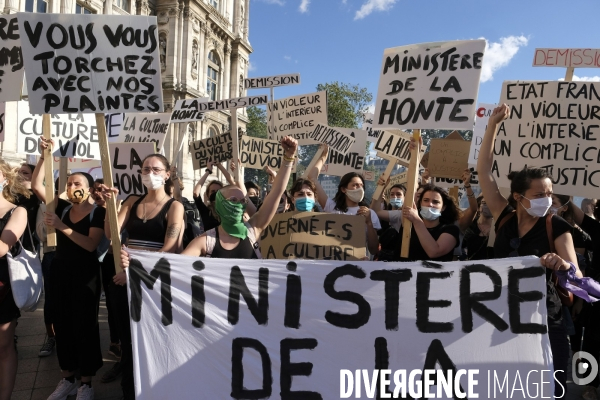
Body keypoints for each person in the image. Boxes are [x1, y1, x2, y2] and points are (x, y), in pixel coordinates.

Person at [478, 104, 582, 398]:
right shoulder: (504, 215)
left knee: (552, 388)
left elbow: (576, 275)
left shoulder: (556, 225)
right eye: (539, 195)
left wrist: (560, 264)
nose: (547, 199)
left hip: (546, 321)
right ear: (518, 196)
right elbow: (484, 171)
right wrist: (493, 125)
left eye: (549, 193)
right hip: (500, 315)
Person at [100, 153, 184, 400]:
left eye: (156, 169)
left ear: (168, 174)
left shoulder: (174, 206)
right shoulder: (131, 201)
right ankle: (129, 391)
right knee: (127, 342)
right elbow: (110, 233)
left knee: (152, 340)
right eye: (145, 169)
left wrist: (133, 271)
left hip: (151, 282)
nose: (150, 173)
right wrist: (109, 205)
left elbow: (169, 248)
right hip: (122, 280)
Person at [32, 139, 106, 400]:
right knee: (61, 324)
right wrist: (44, 155)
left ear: (87, 189)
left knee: (84, 325)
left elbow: (89, 245)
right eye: (69, 183)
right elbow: (36, 185)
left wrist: (62, 227)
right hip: (60, 273)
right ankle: (67, 378)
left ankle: (86, 382)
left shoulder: (98, 213)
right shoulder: (61, 207)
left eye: (77, 184)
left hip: (85, 276)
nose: (71, 187)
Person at [178, 136, 298, 259]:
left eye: (243, 201)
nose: (240, 205)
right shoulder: (205, 241)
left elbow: (277, 192)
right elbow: (175, 269)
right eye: (233, 200)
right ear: (219, 204)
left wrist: (288, 157)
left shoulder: (254, 229)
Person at [310, 145, 381, 256]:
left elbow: (374, 250)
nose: (359, 188)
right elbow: (312, 178)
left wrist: (369, 223)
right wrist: (324, 156)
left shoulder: (370, 214)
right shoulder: (332, 207)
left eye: (361, 185)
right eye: (355, 185)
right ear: (343, 189)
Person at [0, 160, 29, 400]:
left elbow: (1, 248)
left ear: (5, 180)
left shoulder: (17, 211)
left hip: (2, 286)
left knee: (4, 345)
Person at [192, 160, 235, 232]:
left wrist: (220, 166)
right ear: (208, 194)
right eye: (212, 191)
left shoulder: (229, 208)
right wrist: (208, 171)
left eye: (218, 191)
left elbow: (234, 185)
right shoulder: (206, 211)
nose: (216, 193)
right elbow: (196, 193)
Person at [461, 195, 494, 260]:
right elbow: (461, 245)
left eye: (491, 203)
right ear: (478, 208)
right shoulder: (470, 225)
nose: (488, 206)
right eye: (484, 203)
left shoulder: (500, 226)